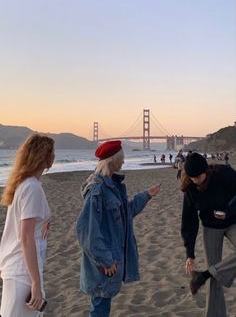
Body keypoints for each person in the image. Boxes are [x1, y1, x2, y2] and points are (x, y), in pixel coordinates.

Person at [76, 140, 161, 317]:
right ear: (113, 160)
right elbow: (87, 232)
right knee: (99, 308)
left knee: (102, 307)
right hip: (104, 265)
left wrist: (145, 196)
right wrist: (106, 260)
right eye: (121, 158)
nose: (123, 162)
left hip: (111, 261)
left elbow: (125, 214)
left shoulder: (113, 186)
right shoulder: (97, 190)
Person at [0, 134, 55, 317]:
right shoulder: (32, 188)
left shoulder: (24, 184)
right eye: (51, 152)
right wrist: (36, 283)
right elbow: (26, 237)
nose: (54, 156)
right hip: (22, 272)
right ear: (43, 156)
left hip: (18, 268)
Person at [180, 152, 236, 317]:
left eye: (198, 176)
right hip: (211, 227)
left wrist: (228, 210)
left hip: (233, 221)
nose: (195, 180)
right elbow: (189, 220)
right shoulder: (190, 188)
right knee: (215, 279)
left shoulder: (224, 173)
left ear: (206, 170)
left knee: (214, 272)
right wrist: (189, 253)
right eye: (192, 177)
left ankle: (205, 274)